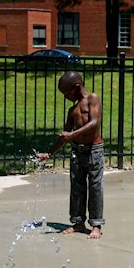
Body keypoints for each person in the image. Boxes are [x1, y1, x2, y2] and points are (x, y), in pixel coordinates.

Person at [38, 71, 105, 239]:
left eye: (67, 93)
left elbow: (94, 123)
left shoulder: (93, 99)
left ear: (76, 87)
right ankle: (78, 222)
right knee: (77, 188)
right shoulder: (72, 110)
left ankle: (96, 225)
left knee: (95, 188)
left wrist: (71, 135)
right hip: (77, 151)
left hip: (93, 151)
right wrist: (50, 153)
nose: (66, 97)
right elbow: (65, 136)